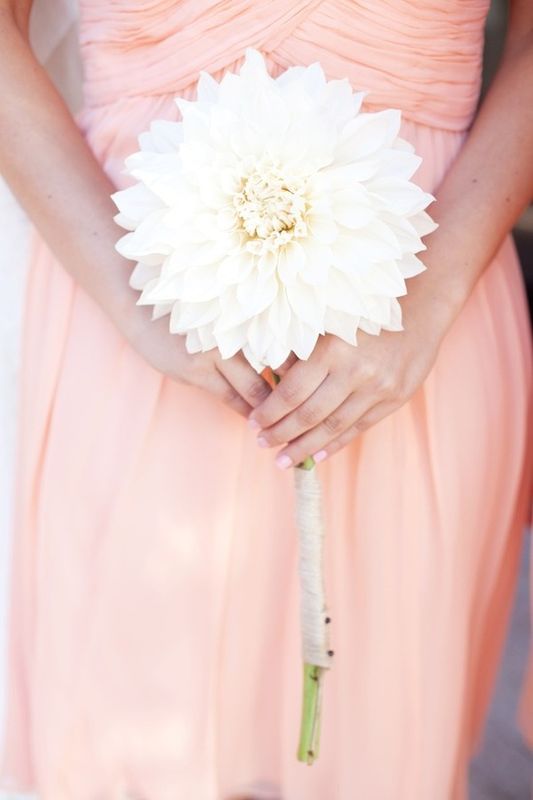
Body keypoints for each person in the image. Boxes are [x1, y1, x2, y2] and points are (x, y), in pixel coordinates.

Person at [0, 1, 531, 798]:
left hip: (421, 310)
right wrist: (132, 293)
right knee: (124, 717)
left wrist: (425, 300)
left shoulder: (424, 311)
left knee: (380, 732)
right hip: (134, 292)